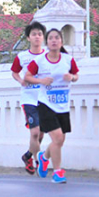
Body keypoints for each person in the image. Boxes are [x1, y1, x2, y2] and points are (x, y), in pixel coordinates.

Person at [25, 29, 79, 184]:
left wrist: (72, 77)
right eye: (50, 38)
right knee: (57, 138)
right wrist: (41, 81)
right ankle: (57, 173)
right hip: (46, 105)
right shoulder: (40, 61)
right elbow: (27, 77)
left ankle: (44, 157)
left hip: (62, 105)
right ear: (46, 42)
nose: (54, 41)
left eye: (57, 38)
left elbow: (76, 75)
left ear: (61, 41)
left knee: (60, 141)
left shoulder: (68, 60)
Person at [10, 21, 47, 174]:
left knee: (41, 134)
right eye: (34, 34)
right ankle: (40, 163)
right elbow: (14, 72)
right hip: (29, 99)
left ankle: (28, 155)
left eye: (39, 34)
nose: (37, 37)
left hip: (45, 99)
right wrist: (21, 81)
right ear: (28, 38)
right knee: (35, 133)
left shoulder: (48, 55)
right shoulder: (22, 56)